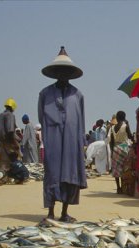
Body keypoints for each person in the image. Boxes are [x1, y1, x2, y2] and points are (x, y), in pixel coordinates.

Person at [38, 46, 87, 223]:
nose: (63, 74)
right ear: (55, 73)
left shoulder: (77, 95)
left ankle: (64, 212)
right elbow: (41, 118)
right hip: (53, 140)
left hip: (72, 142)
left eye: (66, 71)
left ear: (71, 73)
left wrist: (81, 141)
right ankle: (50, 212)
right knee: (52, 174)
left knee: (69, 175)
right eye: (60, 71)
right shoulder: (45, 94)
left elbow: (81, 119)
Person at [109, 110, 134, 194]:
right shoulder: (125, 126)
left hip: (116, 148)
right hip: (124, 147)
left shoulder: (112, 127)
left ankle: (118, 188)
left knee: (116, 169)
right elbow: (130, 136)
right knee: (125, 168)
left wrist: (112, 152)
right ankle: (125, 187)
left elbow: (111, 141)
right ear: (124, 117)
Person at [0, 98, 21, 171]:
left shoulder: (0, 115)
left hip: (1, 140)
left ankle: (3, 173)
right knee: (14, 158)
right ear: (13, 107)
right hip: (9, 140)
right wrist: (14, 142)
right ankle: (14, 173)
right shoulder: (10, 115)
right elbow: (10, 130)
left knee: (4, 158)